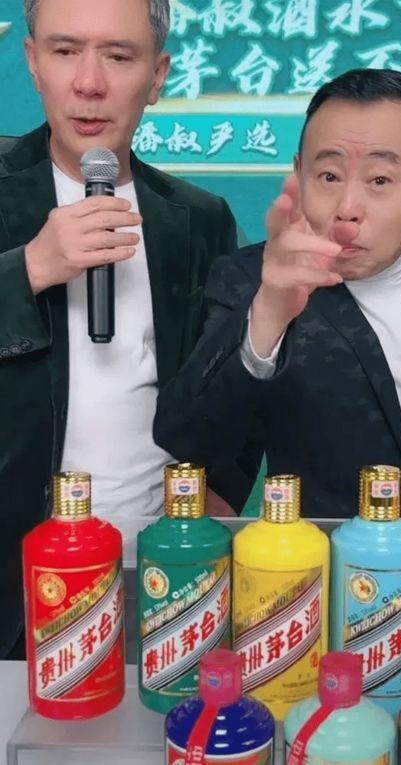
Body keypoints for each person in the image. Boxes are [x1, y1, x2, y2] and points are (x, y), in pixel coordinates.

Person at [154, 69, 401, 524]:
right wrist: (269, 313)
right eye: (330, 176)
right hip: (324, 560)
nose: (347, 209)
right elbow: (188, 442)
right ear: (299, 176)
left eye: (380, 181)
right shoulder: (249, 280)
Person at [0, 0, 238, 659]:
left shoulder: (201, 219)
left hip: (160, 578)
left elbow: (228, 386)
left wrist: (217, 500)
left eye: (119, 56)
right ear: (33, 62)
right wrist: (29, 268)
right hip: (15, 585)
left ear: (157, 75)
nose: (89, 82)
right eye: (65, 50)